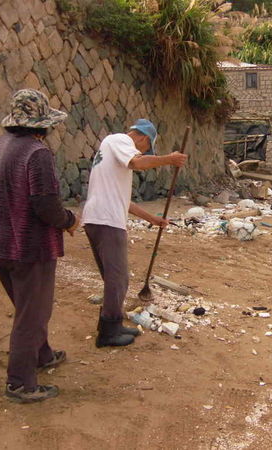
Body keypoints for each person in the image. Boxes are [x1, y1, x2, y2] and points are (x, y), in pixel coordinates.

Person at [0, 89, 78, 403]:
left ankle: (43, 354)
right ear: (42, 125)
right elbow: (44, 204)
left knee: (28, 309)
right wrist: (69, 221)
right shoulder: (37, 153)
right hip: (28, 247)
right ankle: (20, 383)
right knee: (32, 314)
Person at [82, 119, 188, 347]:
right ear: (143, 137)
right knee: (118, 279)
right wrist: (168, 159)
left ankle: (112, 324)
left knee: (113, 278)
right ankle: (109, 333)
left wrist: (153, 219)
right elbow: (138, 163)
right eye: (144, 148)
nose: (140, 152)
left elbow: (125, 202)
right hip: (107, 220)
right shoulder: (119, 140)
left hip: (99, 217)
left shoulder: (110, 153)